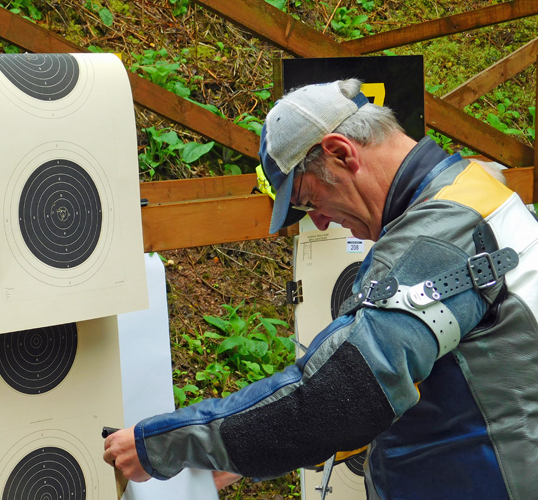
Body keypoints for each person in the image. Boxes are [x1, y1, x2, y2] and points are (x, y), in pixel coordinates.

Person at [104, 79, 538, 499]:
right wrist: (242, 448)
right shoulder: (471, 190)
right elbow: (420, 381)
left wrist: (158, 445)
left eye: (310, 201)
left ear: (339, 152)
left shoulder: (438, 236)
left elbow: (340, 396)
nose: (323, 222)